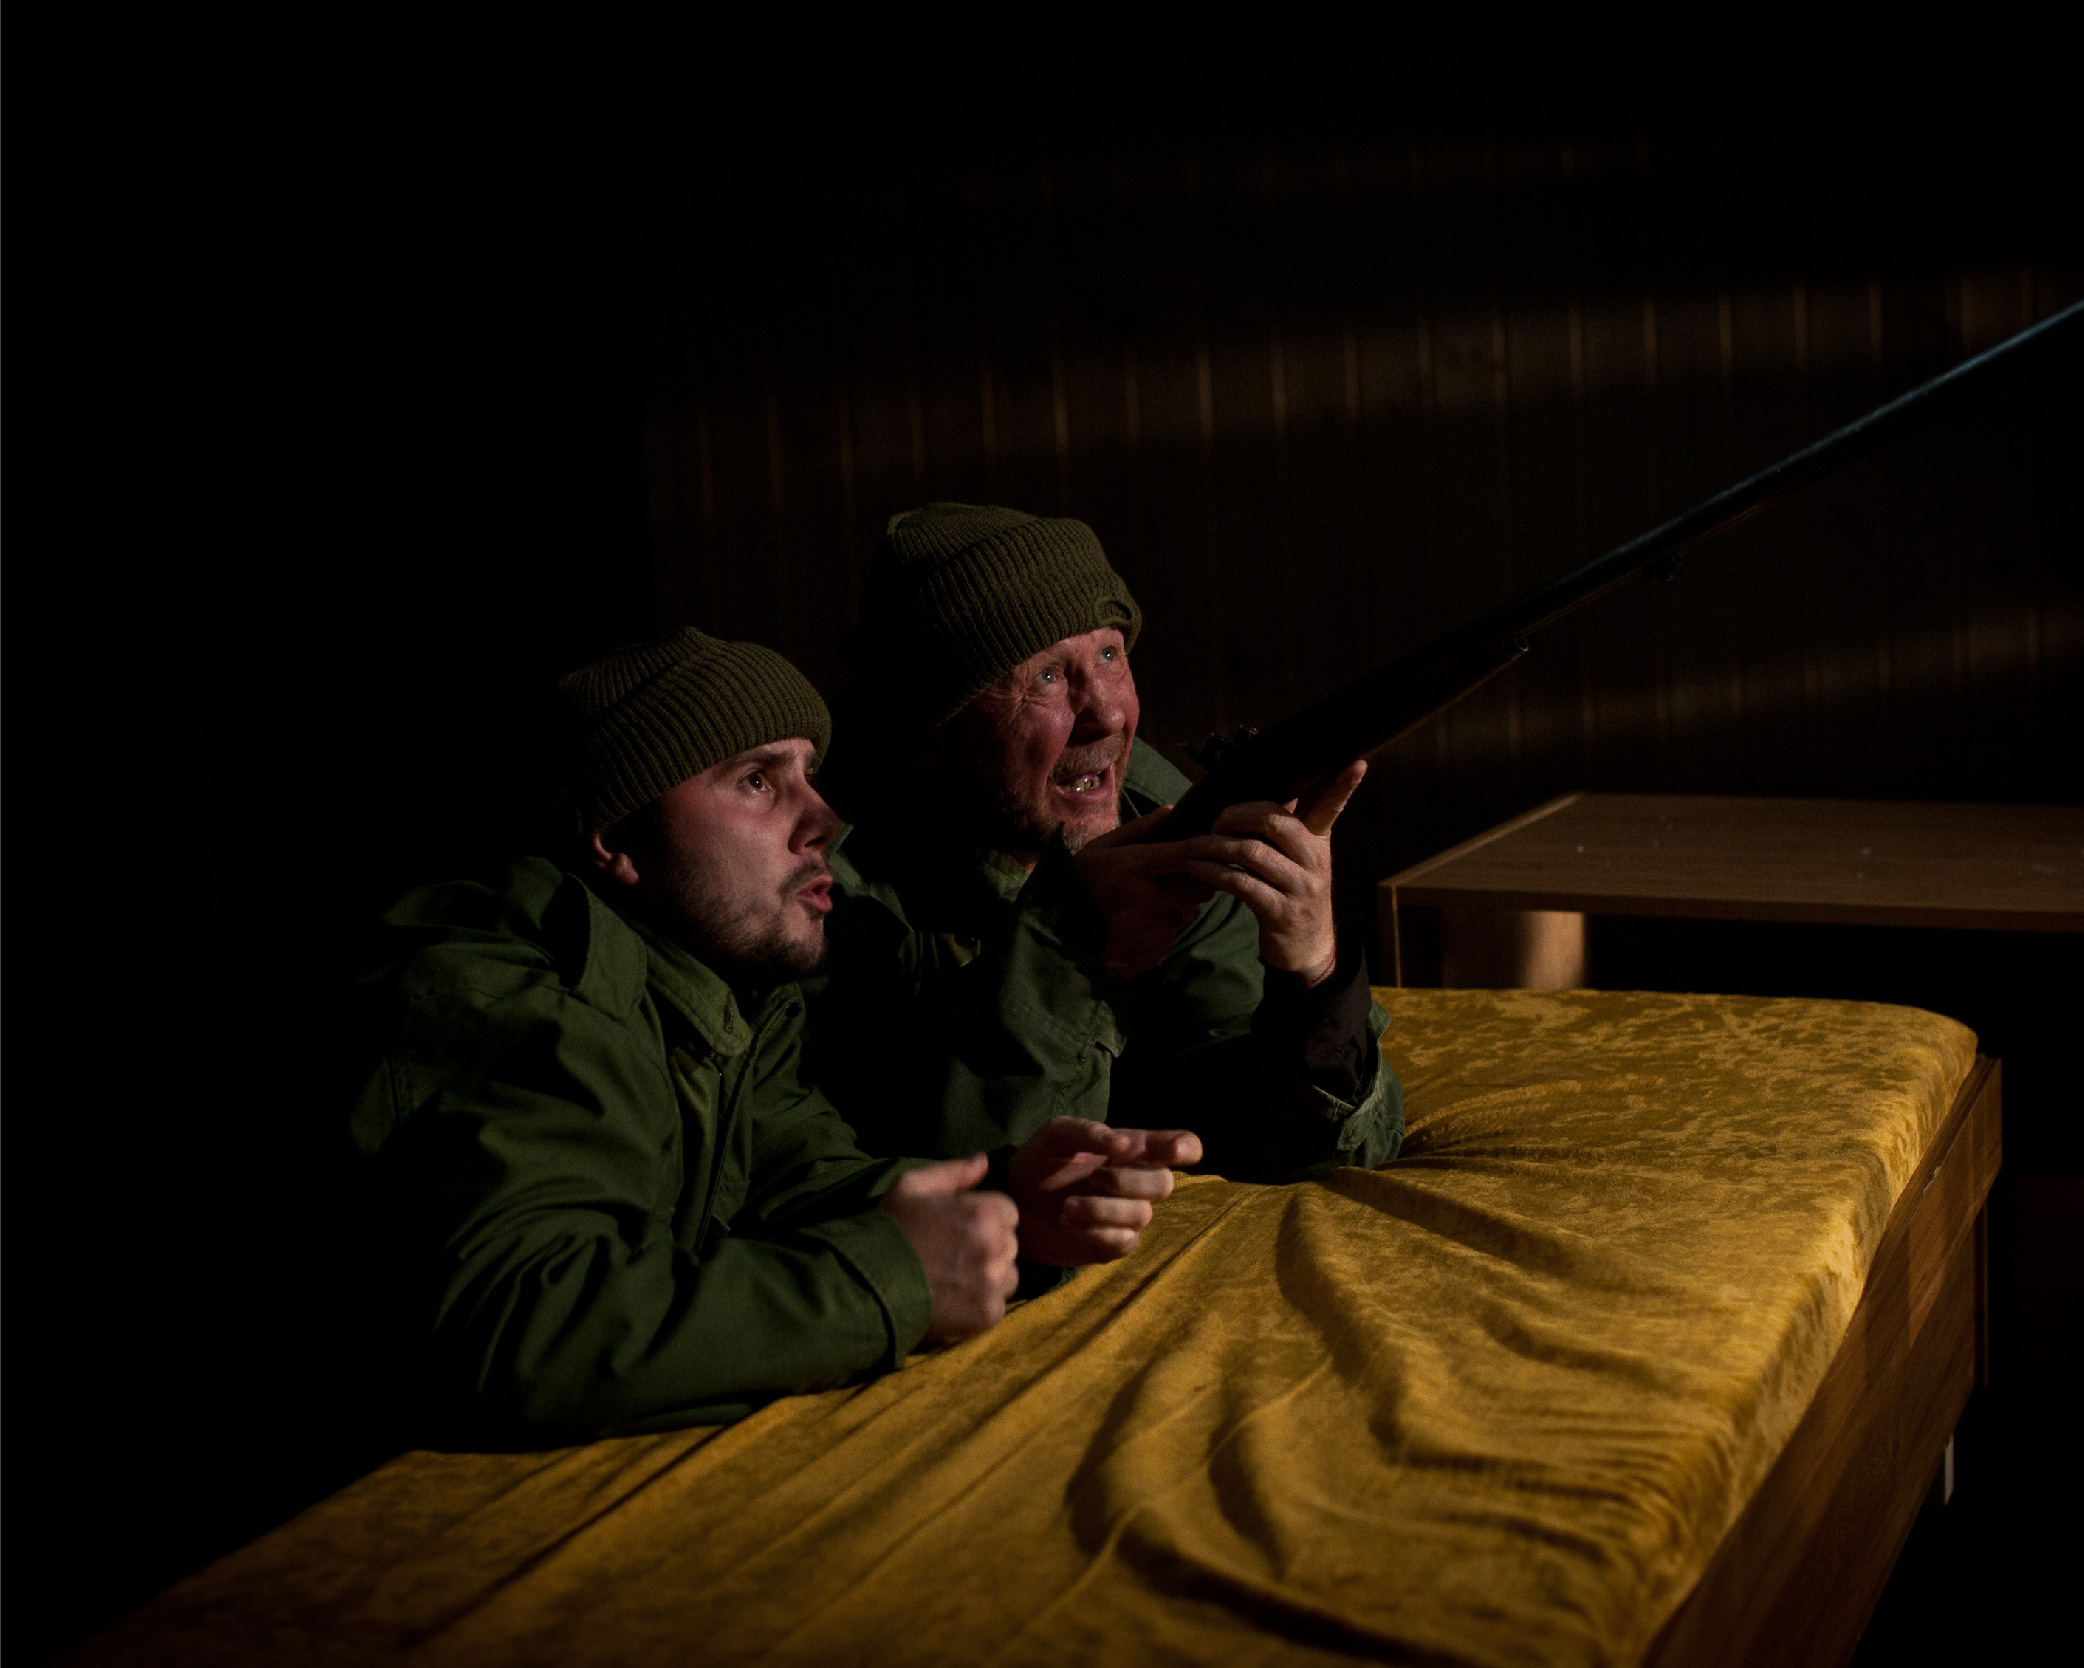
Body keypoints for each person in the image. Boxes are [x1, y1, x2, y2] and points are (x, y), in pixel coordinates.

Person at [349, 627, 1199, 1446]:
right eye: (757, 781)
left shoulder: (724, 994)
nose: (822, 817)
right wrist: (889, 1276)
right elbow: (527, 1326)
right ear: (617, 841)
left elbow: (803, 1177)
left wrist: (1008, 1201)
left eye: (809, 776)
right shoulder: (518, 989)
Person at [804, 503, 1403, 1189]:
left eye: (1110, 656)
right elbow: (948, 1191)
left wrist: (1313, 983)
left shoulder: (1150, 811)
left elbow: (1303, 1139)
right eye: (1046, 677)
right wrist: (1068, 951)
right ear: (931, 740)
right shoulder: (819, 885)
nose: (1109, 715)